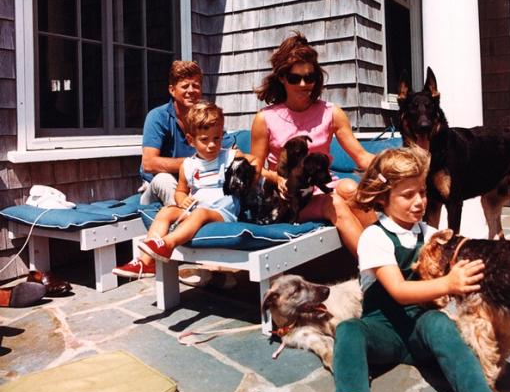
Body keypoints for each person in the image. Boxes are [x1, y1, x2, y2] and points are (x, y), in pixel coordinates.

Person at [332, 146, 496, 392]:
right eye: (408, 195)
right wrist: (449, 284)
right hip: (382, 332)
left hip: (420, 331)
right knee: (348, 331)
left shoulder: (428, 233)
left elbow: (457, 254)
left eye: (422, 192)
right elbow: (399, 291)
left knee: (440, 323)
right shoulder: (374, 237)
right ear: (383, 199)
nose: (419, 201)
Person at [251, 32, 375, 256]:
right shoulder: (265, 118)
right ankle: (378, 270)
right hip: (290, 198)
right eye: (294, 78)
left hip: (323, 187)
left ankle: (392, 256)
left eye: (310, 77)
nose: (303, 84)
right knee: (334, 203)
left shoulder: (331, 113)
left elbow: (362, 157)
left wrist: (397, 167)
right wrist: (277, 177)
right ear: (281, 78)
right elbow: (255, 170)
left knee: (350, 188)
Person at [114, 103, 257, 278]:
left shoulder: (229, 156)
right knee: (166, 211)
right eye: (204, 140)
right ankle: (146, 263)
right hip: (196, 210)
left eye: (217, 138)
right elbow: (181, 191)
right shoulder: (188, 165)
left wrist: (257, 175)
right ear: (191, 140)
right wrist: (182, 200)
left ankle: (166, 244)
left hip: (222, 213)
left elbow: (255, 162)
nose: (212, 145)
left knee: (201, 214)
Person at [139, 60, 233, 207]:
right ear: (172, 90)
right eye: (185, 86)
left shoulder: (205, 118)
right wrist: (196, 164)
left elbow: (230, 150)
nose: (191, 90)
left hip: (195, 185)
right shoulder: (158, 116)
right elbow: (149, 163)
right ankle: (181, 222)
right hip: (157, 187)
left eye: (195, 85)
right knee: (164, 179)